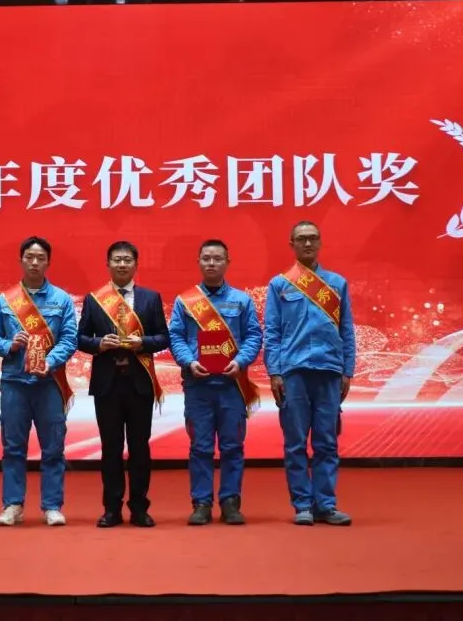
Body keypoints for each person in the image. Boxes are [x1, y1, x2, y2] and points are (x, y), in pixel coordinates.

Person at [263, 221, 355, 526]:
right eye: (301, 239)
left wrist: (347, 370)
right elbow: (272, 331)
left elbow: (346, 330)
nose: (307, 243)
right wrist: (274, 371)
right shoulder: (279, 284)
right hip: (293, 372)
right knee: (295, 442)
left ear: (320, 242)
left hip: (329, 371)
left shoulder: (337, 284)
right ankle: (302, 504)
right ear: (291, 244)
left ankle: (326, 505)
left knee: (327, 442)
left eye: (313, 238)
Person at [168, 239, 262, 525]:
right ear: (199, 262)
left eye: (217, 258)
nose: (211, 263)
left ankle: (231, 502)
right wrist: (188, 361)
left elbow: (254, 336)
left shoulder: (242, 300)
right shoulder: (185, 301)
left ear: (227, 262)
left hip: (231, 386)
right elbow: (176, 337)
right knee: (201, 447)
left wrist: (241, 361)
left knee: (232, 446)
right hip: (198, 385)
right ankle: (202, 503)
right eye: (206, 258)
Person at [0, 236, 78, 526]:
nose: (34, 262)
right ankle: (13, 505)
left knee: (53, 447)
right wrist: (10, 345)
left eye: (40, 258)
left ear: (48, 262)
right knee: (13, 447)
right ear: (21, 260)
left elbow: (69, 339)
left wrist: (50, 361)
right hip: (15, 383)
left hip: (49, 383)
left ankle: (52, 506)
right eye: (29, 257)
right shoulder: (5, 301)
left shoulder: (61, 300)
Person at [77, 241, 169, 528]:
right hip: (107, 384)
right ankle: (111, 509)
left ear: (135, 264)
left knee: (140, 448)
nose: (122, 264)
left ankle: (140, 507)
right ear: (108, 264)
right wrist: (98, 344)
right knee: (111, 448)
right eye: (116, 259)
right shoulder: (94, 300)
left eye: (127, 260)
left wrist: (143, 342)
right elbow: (80, 339)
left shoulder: (150, 298)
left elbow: (163, 337)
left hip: (140, 383)